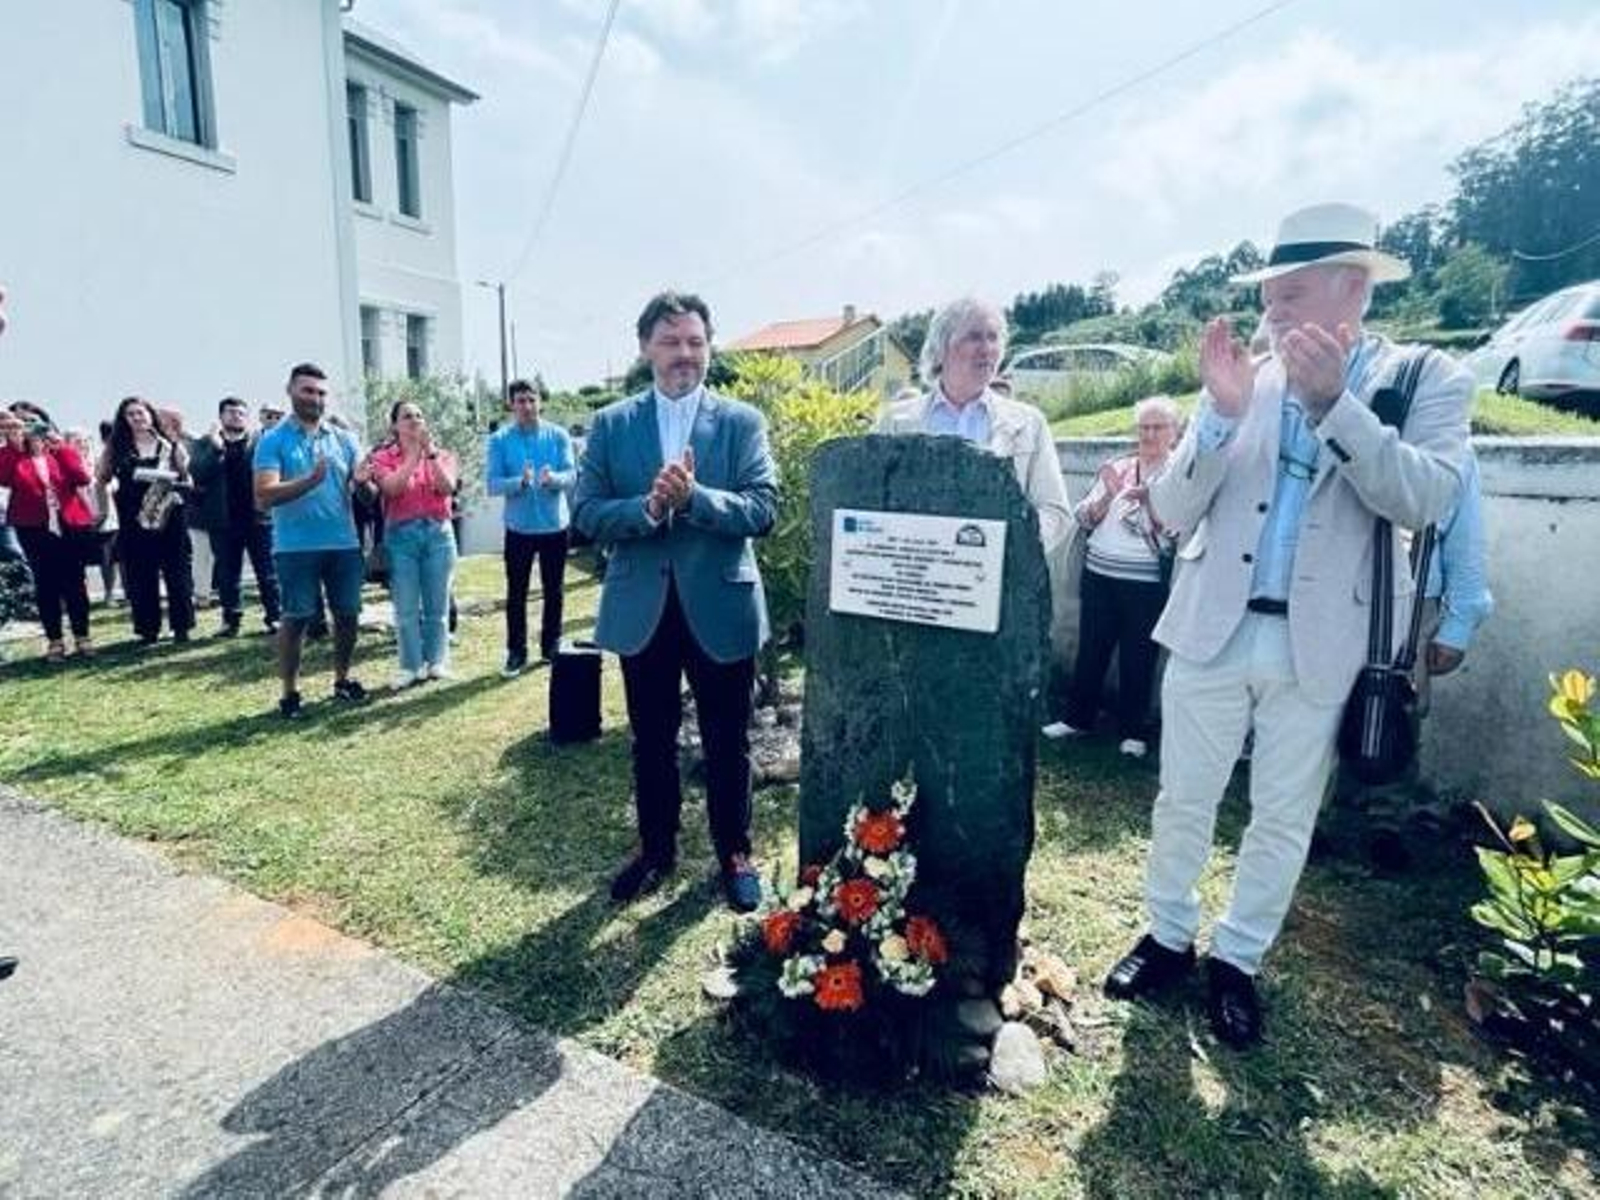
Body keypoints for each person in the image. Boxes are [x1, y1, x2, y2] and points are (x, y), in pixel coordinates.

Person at [1103, 203, 1473, 1049]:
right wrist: (1219, 416)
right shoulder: (1243, 380)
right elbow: (1170, 510)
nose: (1272, 313)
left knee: (1282, 814)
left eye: (1292, 294)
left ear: (1355, 291)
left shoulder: (1425, 380)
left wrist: (1336, 405)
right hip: (1211, 625)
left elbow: (1425, 499)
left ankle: (1238, 959)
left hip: (1325, 644)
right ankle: (1166, 934)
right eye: (1268, 297)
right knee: (1182, 796)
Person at [573, 291, 779, 913]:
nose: (684, 353)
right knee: (651, 740)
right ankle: (655, 850)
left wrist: (694, 499)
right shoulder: (612, 424)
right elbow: (586, 512)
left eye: (695, 341)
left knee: (728, 740)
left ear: (709, 346)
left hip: (721, 606)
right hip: (644, 609)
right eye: (670, 341)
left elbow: (763, 508)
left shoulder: (741, 422)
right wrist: (648, 507)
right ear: (645, 348)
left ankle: (734, 853)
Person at [878, 297, 1073, 565]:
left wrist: (1008, 546)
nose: (987, 349)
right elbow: (871, 503)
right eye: (974, 337)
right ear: (941, 348)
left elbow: (1056, 513)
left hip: (999, 580)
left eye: (993, 338)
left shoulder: (1029, 424)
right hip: (917, 577)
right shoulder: (894, 422)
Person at [1046, 396, 1182, 757]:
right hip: (1100, 574)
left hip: (1146, 582)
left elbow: (1179, 530)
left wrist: (1149, 502)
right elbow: (1083, 517)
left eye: (1158, 427)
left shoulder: (1180, 474)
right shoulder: (1119, 466)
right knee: (1091, 649)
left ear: (1174, 432)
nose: (1149, 435)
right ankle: (1077, 719)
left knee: (1139, 656)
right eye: (1143, 427)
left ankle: (1133, 731)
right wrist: (1108, 494)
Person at [253, 363, 369, 718]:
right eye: (307, 390)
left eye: (321, 393)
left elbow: (366, 494)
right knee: (297, 618)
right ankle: (289, 693)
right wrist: (309, 481)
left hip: (344, 544)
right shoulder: (272, 440)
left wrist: (365, 483)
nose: (315, 398)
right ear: (290, 391)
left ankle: (342, 680)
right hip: (295, 547)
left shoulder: (344, 439)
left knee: (348, 615)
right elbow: (264, 495)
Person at [486, 378, 576, 675]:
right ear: (511, 405)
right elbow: (492, 484)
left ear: (540, 402)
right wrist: (520, 482)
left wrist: (554, 479)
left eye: (531, 399)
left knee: (554, 590)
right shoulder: (499, 440)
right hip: (519, 529)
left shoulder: (559, 435)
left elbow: (572, 475)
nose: (526, 406)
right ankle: (516, 651)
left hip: (554, 527)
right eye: (520, 401)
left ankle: (551, 646)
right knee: (516, 593)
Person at [368, 400, 459, 688]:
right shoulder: (382, 458)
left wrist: (429, 455)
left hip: (438, 534)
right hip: (401, 538)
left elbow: (447, 488)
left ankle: (437, 661)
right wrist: (412, 457)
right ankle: (411, 665)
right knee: (406, 607)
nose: (415, 420)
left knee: (438, 605)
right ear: (395, 425)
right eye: (407, 416)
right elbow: (392, 488)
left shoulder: (443, 455)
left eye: (419, 415)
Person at [0, 403, 96, 660]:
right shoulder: (13, 455)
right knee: (46, 583)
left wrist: (60, 446)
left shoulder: (60, 451)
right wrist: (12, 444)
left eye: (34, 421)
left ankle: (82, 635)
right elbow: (5, 478)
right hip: (33, 526)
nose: (30, 427)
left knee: (74, 580)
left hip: (70, 524)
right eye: (23, 423)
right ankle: (55, 640)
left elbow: (82, 477)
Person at [97, 396, 195, 645]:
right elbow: (101, 480)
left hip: (169, 514)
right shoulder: (117, 447)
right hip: (133, 517)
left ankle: (182, 627)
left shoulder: (169, 444)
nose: (136, 418)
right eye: (130, 414)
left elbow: (187, 478)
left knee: (177, 570)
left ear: (151, 415)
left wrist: (177, 471)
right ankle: (148, 630)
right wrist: (103, 511)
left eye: (140, 412)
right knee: (141, 574)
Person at [189, 397, 281, 636]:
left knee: (267, 572)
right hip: (222, 519)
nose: (236, 416)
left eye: (241, 413)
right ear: (221, 416)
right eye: (230, 412)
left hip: (257, 518)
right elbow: (197, 473)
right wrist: (216, 447)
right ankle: (231, 621)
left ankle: (275, 617)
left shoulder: (260, 442)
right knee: (227, 575)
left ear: (247, 418)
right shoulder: (206, 443)